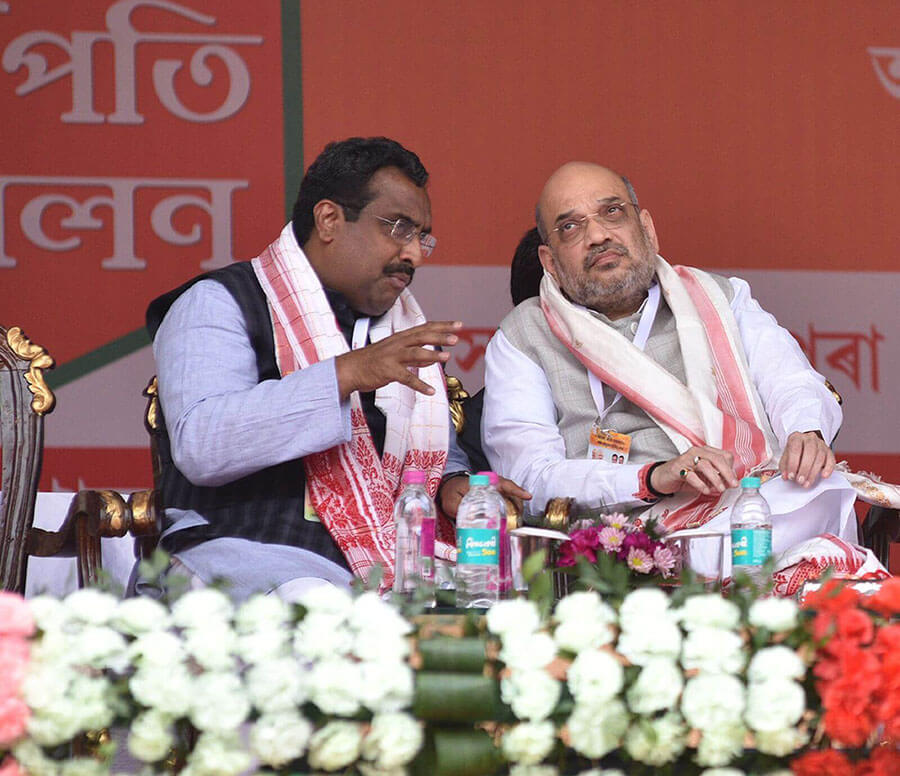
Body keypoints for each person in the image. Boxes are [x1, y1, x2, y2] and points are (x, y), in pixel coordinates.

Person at [145, 136, 526, 601]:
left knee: (497, 612)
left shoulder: (397, 326)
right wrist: (344, 374)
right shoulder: (219, 302)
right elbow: (202, 443)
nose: (415, 255)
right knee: (321, 608)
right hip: (242, 554)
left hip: (380, 568)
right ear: (329, 220)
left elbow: (434, 455)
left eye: (421, 236)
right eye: (399, 228)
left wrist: (452, 485)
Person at [482, 161, 866, 580]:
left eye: (612, 212)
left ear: (646, 227)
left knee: (822, 489)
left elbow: (789, 379)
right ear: (549, 260)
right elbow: (529, 476)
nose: (597, 235)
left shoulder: (721, 297)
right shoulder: (521, 335)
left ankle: (739, 567)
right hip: (622, 534)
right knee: (772, 532)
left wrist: (805, 432)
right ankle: (743, 572)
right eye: (571, 228)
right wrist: (652, 478)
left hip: (746, 499)